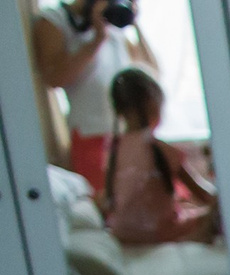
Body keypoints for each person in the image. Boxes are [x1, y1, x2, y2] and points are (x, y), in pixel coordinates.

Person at [32, 0, 152, 197]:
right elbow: (55, 78)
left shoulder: (113, 22)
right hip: (91, 134)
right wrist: (97, 40)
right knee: (105, 203)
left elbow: (150, 72)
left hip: (128, 133)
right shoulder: (54, 20)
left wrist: (133, 22)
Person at [101, 67, 217, 247]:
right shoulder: (159, 149)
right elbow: (203, 196)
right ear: (153, 103)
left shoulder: (112, 151)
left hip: (123, 235)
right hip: (158, 235)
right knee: (216, 210)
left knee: (186, 206)